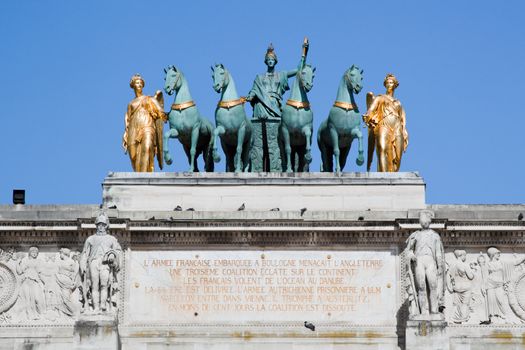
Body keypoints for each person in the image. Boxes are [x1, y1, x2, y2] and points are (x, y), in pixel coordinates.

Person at [246, 39, 308, 171]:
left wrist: (304, 54)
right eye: (268, 59)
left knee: (275, 143)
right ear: (266, 61)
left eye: (272, 59)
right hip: (261, 109)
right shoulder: (259, 78)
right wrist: (251, 96)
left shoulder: (281, 75)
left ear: (275, 61)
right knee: (258, 143)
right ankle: (256, 167)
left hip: (275, 110)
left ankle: (278, 167)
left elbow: (298, 70)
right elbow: (254, 90)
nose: (270, 61)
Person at [363, 74, 408, 172]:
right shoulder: (380, 98)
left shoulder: (398, 103)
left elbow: (402, 119)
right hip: (384, 126)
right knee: (381, 149)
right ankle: (383, 175)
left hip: (397, 128)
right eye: (387, 83)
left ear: (395, 85)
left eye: (391, 82)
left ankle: (393, 176)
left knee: (398, 157)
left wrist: (404, 131)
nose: (389, 85)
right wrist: (367, 115)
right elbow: (371, 109)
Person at [122, 74, 167, 172]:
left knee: (147, 148)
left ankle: (143, 178)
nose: (139, 85)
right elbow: (128, 120)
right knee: (134, 156)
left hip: (147, 127)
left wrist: (165, 115)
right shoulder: (130, 104)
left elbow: (160, 111)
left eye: (141, 83)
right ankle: (139, 177)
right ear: (133, 85)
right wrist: (125, 134)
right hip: (133, 131)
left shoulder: (149, 99)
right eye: (137, 83)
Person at [80, 212, 121, 313]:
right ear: (96, 226)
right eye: (99, 225)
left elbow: (117, 252)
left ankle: (103, 306)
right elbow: (85, 253)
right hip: (93, 262)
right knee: (94, 285)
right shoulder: (90, 239)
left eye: (103, 225)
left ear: (106, 226)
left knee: (104, 285)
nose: (101, 227)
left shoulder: (111, 239)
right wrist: (82, 265)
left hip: (105, 264)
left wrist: (113, 257)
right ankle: (96, 307)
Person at [405, 210, 445, 315]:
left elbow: (438, 253)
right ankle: (423, 311)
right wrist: (411, 255)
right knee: (421, 286)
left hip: (431, 261)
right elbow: (409, 250)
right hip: (419, 261)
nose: (424, 222)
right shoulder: (415, 235)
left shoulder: (435, 236)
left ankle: (434, 310)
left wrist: (440, 266)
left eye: (426, 220)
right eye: (422, 220)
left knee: (433, 285)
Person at [16, 246, 46, 320]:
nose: (34, 254)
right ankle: (30, 315)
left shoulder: (39, 261)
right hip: (26, 281)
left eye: (36, 252)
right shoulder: (25, 261)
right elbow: (19, 271)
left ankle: (41, 314)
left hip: (35, 281)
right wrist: (18, 263)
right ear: (29, 253)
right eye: (33, 252)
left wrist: (45, 282)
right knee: (27, 300)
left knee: (37, 298)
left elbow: (41, 273)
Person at [446, 249, 475, 323]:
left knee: (456, 304)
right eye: (464, 255)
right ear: (461, 256)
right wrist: (473, 269)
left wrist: (449, 286)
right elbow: (471, 276)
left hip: (456, 287)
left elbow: (448, 275)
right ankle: (463, 319)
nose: (465, 257)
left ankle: (453, 319)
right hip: (465, 287)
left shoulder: (452, 265)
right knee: (465, 304)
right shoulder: (465, 265)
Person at [55, 248, 80, 317]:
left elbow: (75, 273)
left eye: (61, 253)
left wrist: (74, 282)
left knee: (66, 299)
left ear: (64, 253)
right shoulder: (59, 262)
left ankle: (74, 312)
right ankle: (63, 314)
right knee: (60, 298)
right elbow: (55, 271)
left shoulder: (71, 262)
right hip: (59, 280)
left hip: (67, 282)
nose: (60, 255)